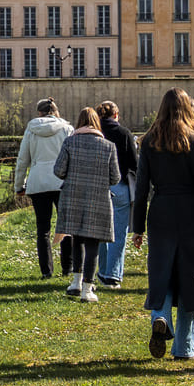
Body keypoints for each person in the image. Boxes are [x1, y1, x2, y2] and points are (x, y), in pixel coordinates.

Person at [131, 89, 194, 360]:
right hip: (190, 214)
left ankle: (161, 317)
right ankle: (184, 347)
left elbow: (142, 188)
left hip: (161, 212)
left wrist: (138, 228)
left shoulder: (149, 142)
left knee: (162, 271)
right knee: (190, 278)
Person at [52, 107, 121, 302]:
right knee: (93, 244)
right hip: (98, 198)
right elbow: (115, 177)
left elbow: (58, 171)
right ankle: (87, 289)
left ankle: (75, 282)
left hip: (73, 197)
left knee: (77, 238)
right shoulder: (108, 146)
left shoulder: (70, 142)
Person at [13, 99, 74, 281]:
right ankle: (68, 267)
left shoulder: (31, 130)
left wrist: (19, 185)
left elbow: (23, 160)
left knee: (43, 229)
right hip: (62, 181)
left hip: (38, 181)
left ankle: (46, 270)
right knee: (66, 225)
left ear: (39, 112)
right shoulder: (66, 129)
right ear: (56, 111)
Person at [95, 100, 138, 288]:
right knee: (118, 233)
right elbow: (134, 164)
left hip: (97, 187)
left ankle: (102, 271)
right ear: (116, 115)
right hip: (120, 186)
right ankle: (112, 275)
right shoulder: (124, 134)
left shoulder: (95, 134)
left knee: (100, 233)